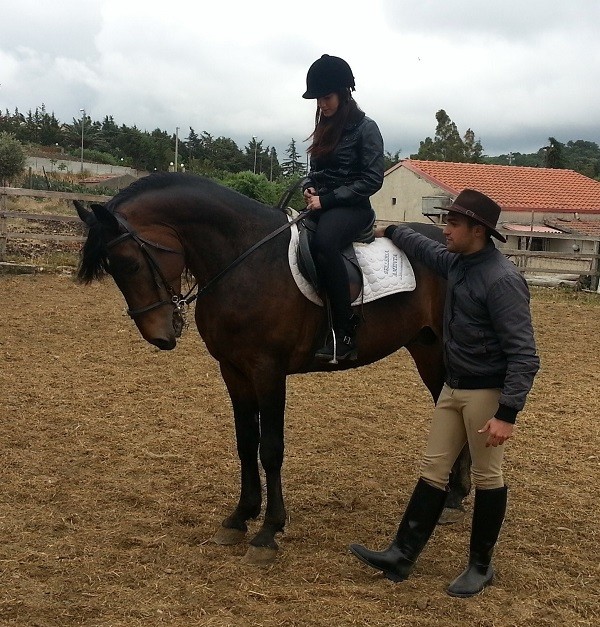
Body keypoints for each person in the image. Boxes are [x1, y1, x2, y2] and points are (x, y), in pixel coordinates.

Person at [349, 189, 540, 597]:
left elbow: (525, 354)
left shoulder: (503, 280)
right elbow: (421, 244)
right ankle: (401, 554)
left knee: (489, 476)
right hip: (452, 389)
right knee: (434, 470)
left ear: (478, 230)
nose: (445, 230)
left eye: (453, 224)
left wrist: (507, 413)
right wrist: (392, 229)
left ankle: (480, 566)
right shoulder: (456, 263)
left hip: (485, 393)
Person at [301, 54, 384, 361]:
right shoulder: (324, 126)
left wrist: (328, 199)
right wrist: (308, 187)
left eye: (326, 97)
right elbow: (315, 171)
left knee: (324, 243)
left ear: (344, 93)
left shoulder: (366, 128)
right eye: (318, 99)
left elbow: (373, 179)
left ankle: (344, 332)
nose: (322, 104)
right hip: (322, 204)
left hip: (354, 208)